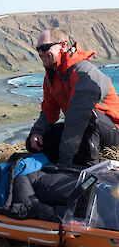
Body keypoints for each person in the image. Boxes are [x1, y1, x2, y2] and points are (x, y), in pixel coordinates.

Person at [26, 28, 119, 168]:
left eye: (44, 47)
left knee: (88, 118)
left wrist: (64, 163)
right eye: (38, 49)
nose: (40, 53)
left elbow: (78, 118)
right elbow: (49, 111)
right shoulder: (51, 77)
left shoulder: (83, 72)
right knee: (35, 142)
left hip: (112, 131)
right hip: (84, 127)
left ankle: (89, 169)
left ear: (63, 45)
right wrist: (37, 131)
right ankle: (70, 161)